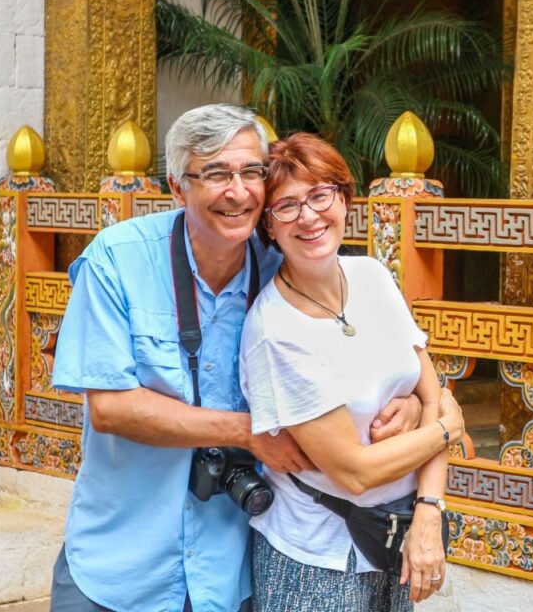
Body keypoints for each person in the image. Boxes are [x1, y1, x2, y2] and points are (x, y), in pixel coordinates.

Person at [49, 105, 423, 612]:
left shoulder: (284, 269)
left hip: (230, 566)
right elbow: (111, 408)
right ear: (178, 188)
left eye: (251, 172)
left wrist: (412, 406)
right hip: (120, 562)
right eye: (216, 174)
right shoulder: (117, 259)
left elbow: (364, 367)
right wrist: (249, 432)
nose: (238, 190)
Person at [239, 133, 464, 611]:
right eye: (287, 206)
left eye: (321, 195)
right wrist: (446, 427)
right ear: (269, 227)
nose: (309, 216)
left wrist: (429, 509)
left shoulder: (372, 278)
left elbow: (432, 390)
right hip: (315, 559)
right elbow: (355, 473)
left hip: (397, 536)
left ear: (343, 199)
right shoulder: (276, 330)